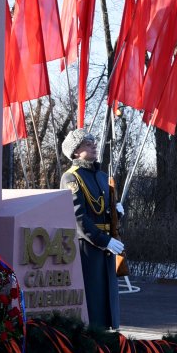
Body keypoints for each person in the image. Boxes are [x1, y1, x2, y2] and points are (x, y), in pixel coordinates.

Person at [60, 129, 124, 329]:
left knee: (108, 298)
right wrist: (103, 240)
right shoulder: (72, 178)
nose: (94, 146)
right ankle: (94, 340)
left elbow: (104, 212)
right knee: (93, 300)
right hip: (88, 246)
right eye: (88, 144)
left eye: (94, 143)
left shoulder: (103, 176)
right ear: (76, 151)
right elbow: (78, 217)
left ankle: (106, 339)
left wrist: (117, 212)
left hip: (107, 245)